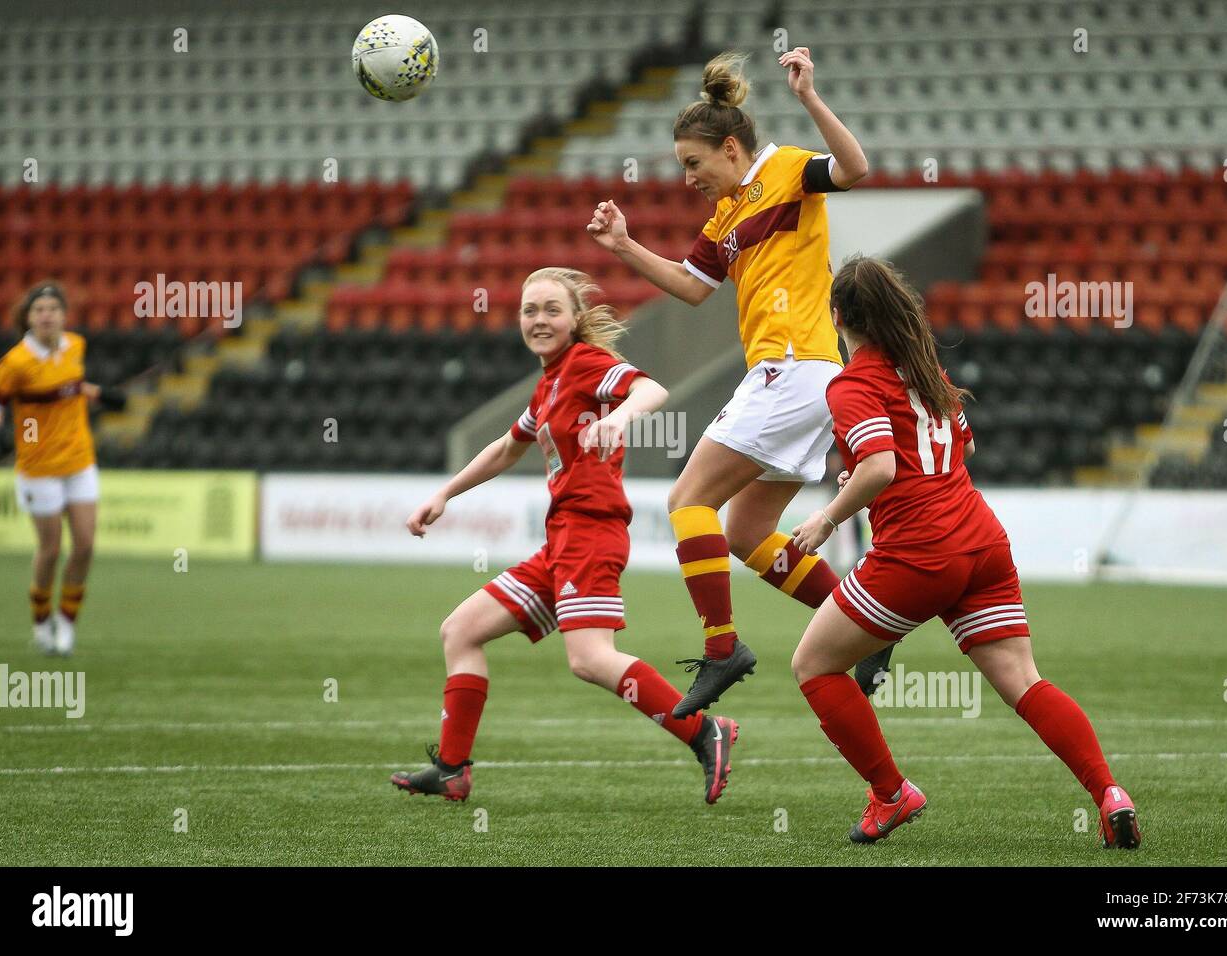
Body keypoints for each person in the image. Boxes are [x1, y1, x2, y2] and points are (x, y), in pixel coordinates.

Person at [787, 256, 1141, 849]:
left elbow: (878, 466)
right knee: (1025, 682)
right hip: (982, 542)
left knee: (814, 665)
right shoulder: (926, 373)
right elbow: (963, 448)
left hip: (920, 554)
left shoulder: (851, 384)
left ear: (838, 316)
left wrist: (826, 518)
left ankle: (892, 794)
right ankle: (1109, 793)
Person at [587, 47, 883, 718]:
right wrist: (626, 247)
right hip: (804, 378)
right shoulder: (723, 220)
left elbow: (856, 168)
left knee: (688, 499)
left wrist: (810, 97)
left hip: (793, 366)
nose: (688, 178)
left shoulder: (784, 169)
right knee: (748, 531)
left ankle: (723, 647)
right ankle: (866, 626)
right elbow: (692, 288)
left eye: (693, 164)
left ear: (729, 148)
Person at [391, 268, 740, 804]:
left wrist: (620, 418)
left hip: (591, 533)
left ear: (576, 319)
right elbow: (508, 447)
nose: (539, 320)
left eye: (552, 309)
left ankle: (703, 733)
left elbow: (651, 389)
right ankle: (453, 769)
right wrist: (446, 493)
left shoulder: (586, 365)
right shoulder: (550, 383)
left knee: (589, 659)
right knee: (460, 631)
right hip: (562, 542)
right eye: (530, 310)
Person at [0, 282, 122, 656]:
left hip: (78, 458)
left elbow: (72, 385)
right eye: (39, 309)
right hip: (38, 465)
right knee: (50, 549)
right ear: (29, 318)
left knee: (86, 544)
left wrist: (101, 394)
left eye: (53, 309)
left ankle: (67, 622)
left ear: (63, 315)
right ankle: (41, 620)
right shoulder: (15, 363)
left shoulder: (75, 346)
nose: (46, 315)